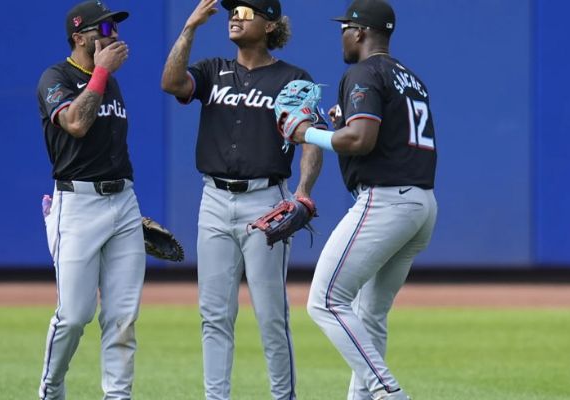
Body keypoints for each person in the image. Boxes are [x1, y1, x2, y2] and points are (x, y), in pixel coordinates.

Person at [160, 0, 324, 399]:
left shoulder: (292, 78)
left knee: (271, 316)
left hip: (266, 199)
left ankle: (283, 397)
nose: (235, 16)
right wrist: (189, 29)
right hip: (214, 200)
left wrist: (303, 192)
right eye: (233, 11)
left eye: (247, 13)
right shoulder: (213, 70)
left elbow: (312, 139)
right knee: (214, 315)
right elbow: (171, 83)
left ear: (270, 25)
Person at [289, 0, 438, 399]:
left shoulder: (363, 71)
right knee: (369, 317)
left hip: (387, 201)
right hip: (421, 205)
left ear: (360, 32)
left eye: (345, 28)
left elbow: (360, 139)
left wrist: (306, 134)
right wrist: (329, 123)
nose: (341, 34)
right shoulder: (410, 77)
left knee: (324, 302)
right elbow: (367, 130)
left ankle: (389, 393)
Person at [35, 1, 145, 399]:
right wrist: (101, 71)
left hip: (123, 203)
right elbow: (76, 124)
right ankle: (51, 388)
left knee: (122, 318)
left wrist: (125, 211)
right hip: (78, 204)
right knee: (74, 315)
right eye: (103, 29)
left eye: (113, 27)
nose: (112, 35)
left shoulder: (108, 80)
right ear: (80, 37)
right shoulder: (56, 76)